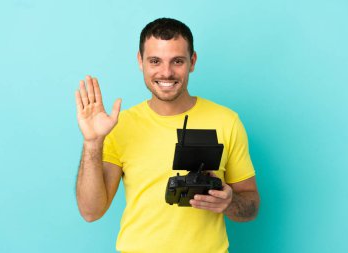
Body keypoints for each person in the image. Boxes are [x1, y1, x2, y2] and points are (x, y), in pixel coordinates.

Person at [75, 18, 260, 253]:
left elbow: (251, 206)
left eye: (177, 61)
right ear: (140, 61)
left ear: (192, 62)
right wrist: (92, 142)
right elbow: (91, 212)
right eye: (155, 61)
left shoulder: (227, 121)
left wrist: (229, 202)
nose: (166, 72)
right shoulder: (119, 126)